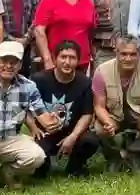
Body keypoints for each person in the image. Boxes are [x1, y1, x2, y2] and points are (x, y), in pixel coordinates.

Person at [0, 41, 59, 189]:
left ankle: (7, 172)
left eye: (14, 62)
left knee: (37, 156)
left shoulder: (28, 86)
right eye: (4, 61)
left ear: (20, 65)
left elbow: (44, 116)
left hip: (12, 139)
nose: (9, 66)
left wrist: (53, 121)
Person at [91, 34, 140, 172]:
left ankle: (133, 154)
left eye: (132, 54)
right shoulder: (102, 71)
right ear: (115, 53)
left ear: (139, 55)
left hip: (139, 114)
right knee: (100, 128)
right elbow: (98, 106)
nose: (128, 58)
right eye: (123, 54)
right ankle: (114, 156)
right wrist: (107, 122)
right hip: (114, 115)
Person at [28, 40, 99, 178]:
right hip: (45, 133)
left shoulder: (85, 83)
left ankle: (75, 167)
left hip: (72, 132)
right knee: (37, 154)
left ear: (78, 61)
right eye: (63, 57)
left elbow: (87, 114)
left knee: (91, 141)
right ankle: (44, 165)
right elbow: (26, 107)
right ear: (55, 59)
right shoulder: (38, 80)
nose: (67, 62)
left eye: (72, 58)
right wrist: (33, 128)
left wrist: (72, 137)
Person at [33, 0, 97, 71]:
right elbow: (39, 31)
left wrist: (93, 59)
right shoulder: (48, 0)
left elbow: (91, 34)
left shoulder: (88, 2)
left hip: (82, 62)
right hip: (56, 62)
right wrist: (47, 59)